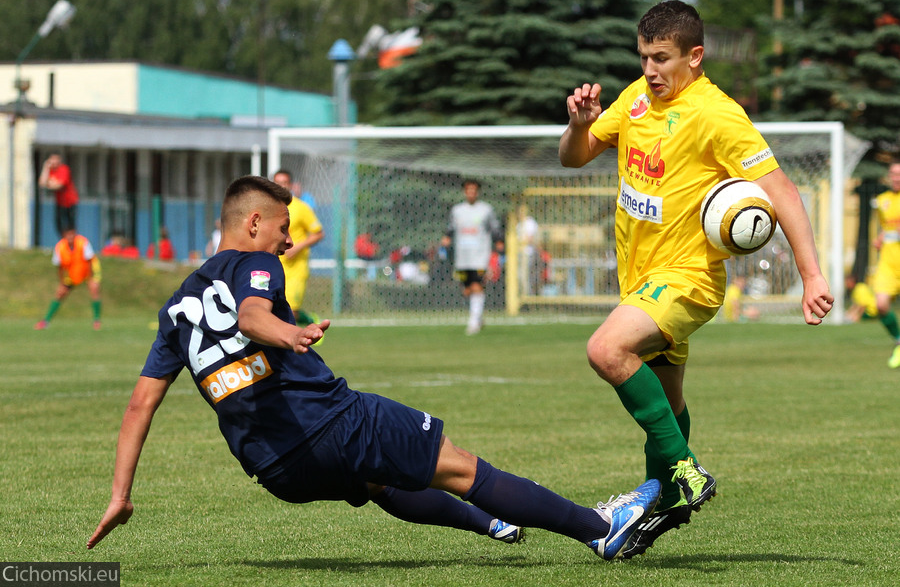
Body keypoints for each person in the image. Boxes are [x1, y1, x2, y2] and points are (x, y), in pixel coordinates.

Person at [86, 175, 662, 560]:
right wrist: (289, 331)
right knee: (460, 467)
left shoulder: (176, 307)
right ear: (255, 222)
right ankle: (599, 529)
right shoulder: (255, 263)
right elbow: (252, 314)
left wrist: (119, 494)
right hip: (330, 422)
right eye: (284, 228)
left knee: (380, 480)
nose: (288, 242)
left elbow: (141, 403)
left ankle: (489, 525)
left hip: (276, 469)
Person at [559, 0, 833, 558]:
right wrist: (578, 125)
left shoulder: (718, 114)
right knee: (667, 402)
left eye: (662, 59)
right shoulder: (636, 97)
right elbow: (575, 157)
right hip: (639, 278)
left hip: (688, 279)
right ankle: (659, 504)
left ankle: (684, 472)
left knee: (606, 350)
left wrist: (811, 275)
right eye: (644, 58)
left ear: (696, 56)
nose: (651, 70)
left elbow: (782, 192)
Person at [440, 179, 504, 335]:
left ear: (478, 192)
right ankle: (478, 316)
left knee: (477, 286)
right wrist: (445, 242)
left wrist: (499, 246)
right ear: (464, 192)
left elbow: (495, 229)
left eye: (474, 190)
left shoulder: (486, 210)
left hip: (480, 255)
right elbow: (450, 229)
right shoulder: (457, 210)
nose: (471, 193)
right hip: (463, 257)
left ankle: (473, 322)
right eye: (468, 190)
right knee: (467, 290)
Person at [273, 169, 325, 326]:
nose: (281, 186)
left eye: (285, 183)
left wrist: (296, 248)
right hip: (275, 266)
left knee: (291, 312)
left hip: (296, 268)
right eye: (278, 183)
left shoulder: (301, 208)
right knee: (275, 309)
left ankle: (309, 321)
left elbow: (318, 233)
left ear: (290, 185)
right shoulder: (268, 208)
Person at [35, 227, 102, 331]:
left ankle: (97, 321)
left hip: (87, 270)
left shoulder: (83, 242)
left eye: (72, 234)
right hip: (72, 273)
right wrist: (62, 280)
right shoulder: (60, 247)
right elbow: (59, 267)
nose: (70, 237)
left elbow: (89, 260)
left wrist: (90, 277)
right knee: (60, 293)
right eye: (68, 235)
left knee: (94, 290)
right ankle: (45, 321)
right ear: (64, 236)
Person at [870, 160, 900, 367]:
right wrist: (881, 238)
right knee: (880, 305)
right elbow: (887, 228)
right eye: (893, 174)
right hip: (888, 263)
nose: (896, 178)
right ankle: (899, 341)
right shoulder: (882, 200)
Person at [38, 153, 79, 236]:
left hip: (70, 201)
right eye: (51, 159)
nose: (53, 162)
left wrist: (49, 184)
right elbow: (42, 183)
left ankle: (72, 241)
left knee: (70, 224)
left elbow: (59, 185)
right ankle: (64, 241)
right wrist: (46, 167)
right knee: (59, 224)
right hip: (60, 202)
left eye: (55, 159)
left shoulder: (64, 169)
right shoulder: (50, 171)